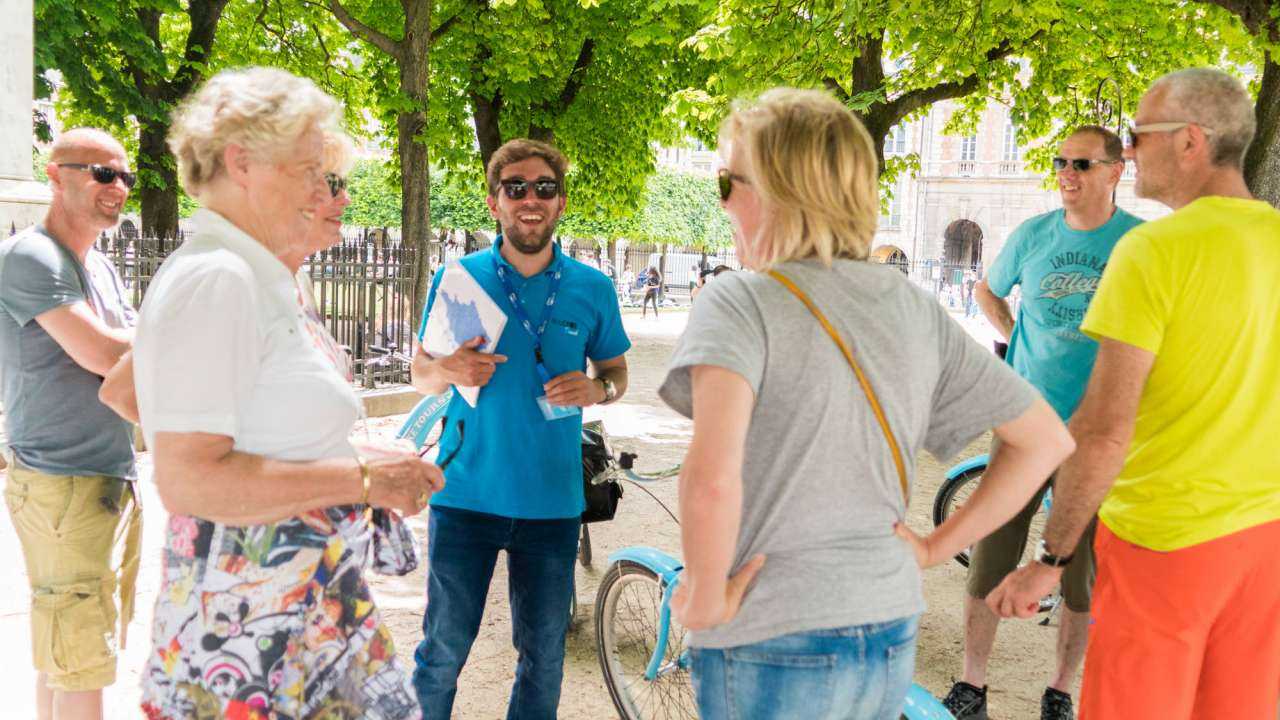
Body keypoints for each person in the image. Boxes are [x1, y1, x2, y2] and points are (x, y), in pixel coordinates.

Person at [658, 87, 1075, 720]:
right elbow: (1044, 438)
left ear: (778, 189)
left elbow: (711, 479)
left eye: (725, 183)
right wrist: (935, 547)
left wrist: (708, 596)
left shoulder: (739, 301)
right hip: (885, 620)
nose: (721, 204)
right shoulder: (910, 304)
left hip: (773, 624)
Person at [131, 67, 442, 719]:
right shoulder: (220, 278)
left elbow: (127, 387)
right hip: (250, 626)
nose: (324, 189)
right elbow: (188, 482)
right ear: (241, 162)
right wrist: (360, 478)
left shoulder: (246, 273)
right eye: (308, 170)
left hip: (289, 608)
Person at [989, 68, 1280, 720]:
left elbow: (1101, 429)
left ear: (1190, 142)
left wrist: (1051, 559)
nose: (1128, 149)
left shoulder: (1153, 249)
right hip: (1266, 546)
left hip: (1164, 544)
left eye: (1137, 134)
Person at [410, 138, 631, 719]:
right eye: (515, 188)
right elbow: (420, 375)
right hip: (465, 496)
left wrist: (598, 390)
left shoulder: (592, 287)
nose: (530, 199)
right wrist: (447, 368)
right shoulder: (457, 278)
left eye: (544, 188)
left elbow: (616, 373)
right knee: (442, 652)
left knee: (542, 657)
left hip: (551, 503)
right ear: (493, 202)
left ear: (560, 204)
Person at [946, 125, 1144, 720]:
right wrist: (1014, 340)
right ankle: (970, 686)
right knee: (990, 557)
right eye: (1060, 161)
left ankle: (1059, 692)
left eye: (1082, 163)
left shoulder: (1140, 245)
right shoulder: (1034, 235)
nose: (1067, 173)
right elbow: (987, 289)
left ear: (1115, 171)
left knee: (1082, 577)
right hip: (1025, 424)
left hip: (1098, 435)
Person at [0, 128, 141, 720]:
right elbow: (110, 357)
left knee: (68, 653)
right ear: (56, 175)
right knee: (81, 657)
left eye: (125, 177)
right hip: (62, 483)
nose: (118, 188)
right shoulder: (32, 257)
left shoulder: (100, 267)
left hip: (105, 478)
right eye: (101, 173)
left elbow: (134, 367)